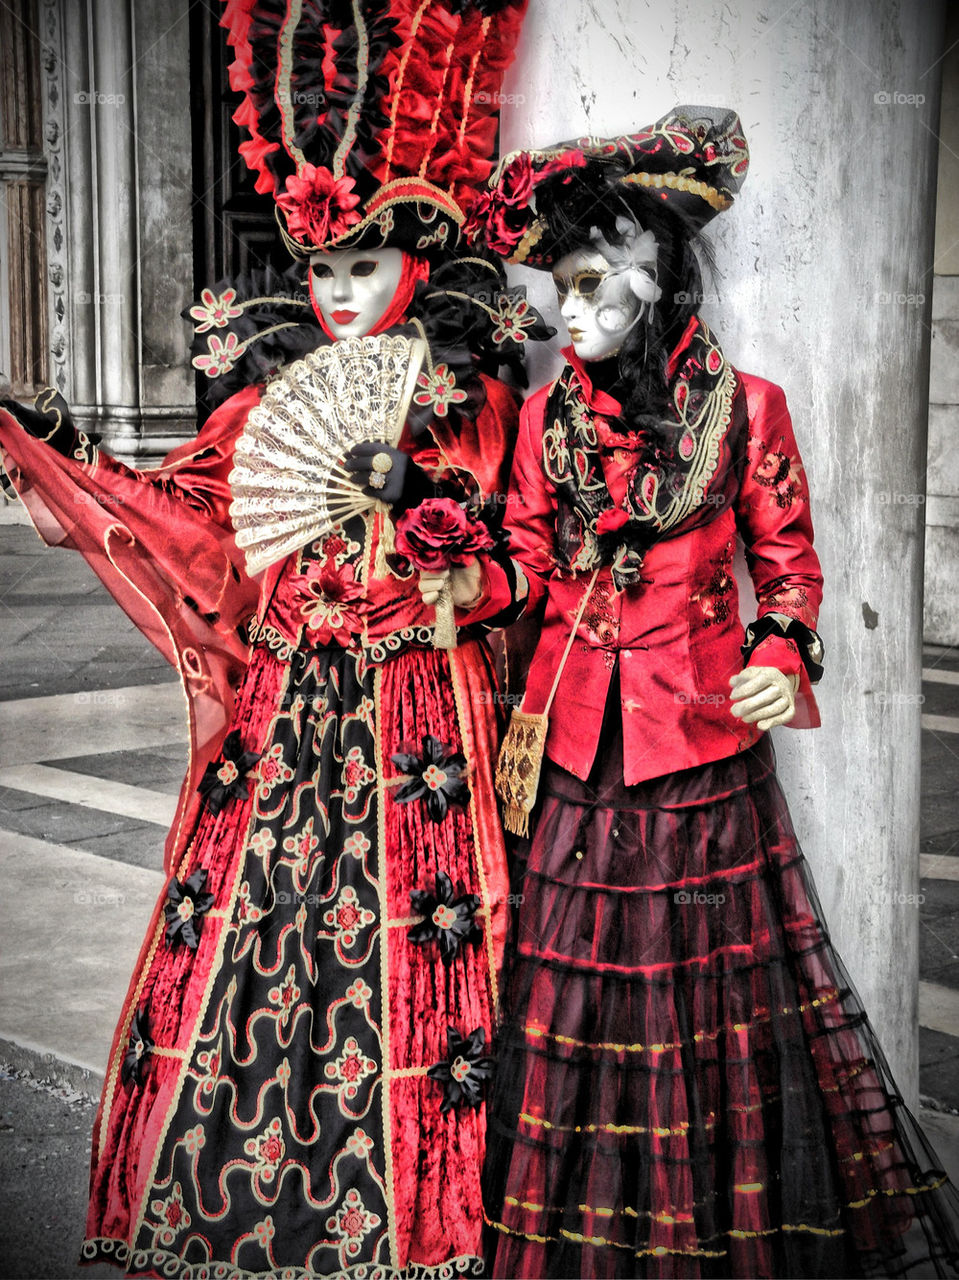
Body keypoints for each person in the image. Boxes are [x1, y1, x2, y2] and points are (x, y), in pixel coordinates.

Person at [0, 3, 537, 1275]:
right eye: (323, 270)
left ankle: (422, 1212)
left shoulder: (474, 400)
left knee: (410, 953)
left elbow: (524, 558)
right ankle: (252, 1188)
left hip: (420, 728)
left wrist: (442, 567)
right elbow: (190, 523)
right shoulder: (268, 402)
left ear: (412, 260)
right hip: (286, 722)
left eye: (363, 265)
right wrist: (69, 451)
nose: (340, 293)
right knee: (266, 945)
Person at [453, 105, 959, 1278]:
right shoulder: (543, 419)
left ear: (651, 279)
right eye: (557, 295)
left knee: (707, 993)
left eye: (588, 289)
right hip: (576, 739)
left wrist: (780, 659)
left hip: (699, 739)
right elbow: (526, 563)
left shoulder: (749, 409)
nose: (566, 317)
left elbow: (785, 564)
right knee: (577, 988)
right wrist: (458, 574)